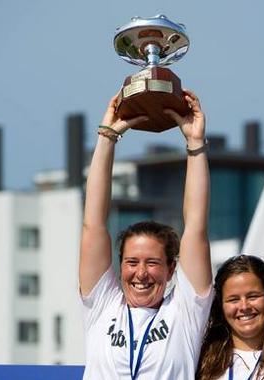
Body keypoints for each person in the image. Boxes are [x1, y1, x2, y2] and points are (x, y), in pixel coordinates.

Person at [79, 89, 213, 379]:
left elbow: (196, 227)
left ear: (171, 269)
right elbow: (93, 223)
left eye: (152, 263)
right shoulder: (102, 305)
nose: (141, 273)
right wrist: (107, 137)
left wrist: (195, 143)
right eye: (132, 262)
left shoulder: (185, 312)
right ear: (119, 265)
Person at [197, 255, 264, 380]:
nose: (244, 307)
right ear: (221, 306)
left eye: (253, 296)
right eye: (233, 299)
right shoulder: (201, 361)